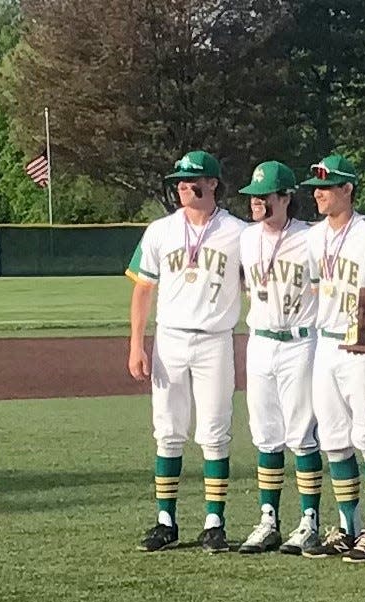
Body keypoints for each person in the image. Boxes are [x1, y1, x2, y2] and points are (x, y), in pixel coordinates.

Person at [127, 150, 246, 554]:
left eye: (190, 179)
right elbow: (143, 289)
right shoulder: (160, 230)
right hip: (171, 338)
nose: (182, 185)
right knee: (168, 431)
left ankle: (215, 521)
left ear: (212, 183)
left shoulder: (237, 232)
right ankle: (166, 520)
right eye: (178, 179)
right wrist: (136, 345)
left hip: (215, 338)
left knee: (214, 431)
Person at [300, 154, 365, 561]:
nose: (318, 194)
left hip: (361, 344)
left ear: (347, 190)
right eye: (316, 188)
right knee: (335, 439)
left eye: (326, 187)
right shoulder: (313, 236)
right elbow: (314, 287)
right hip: (325, 343)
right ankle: (347, 525)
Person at [237, 161, 323, 556]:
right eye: (253, 195)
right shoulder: (245, 237)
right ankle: (269, 518)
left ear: (286, 197)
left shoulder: (310, 238)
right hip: (260, 341)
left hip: (299, 342)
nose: (256, 201)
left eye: (265, 196)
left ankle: (309, 520)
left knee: (301, 434)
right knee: (265, 433)